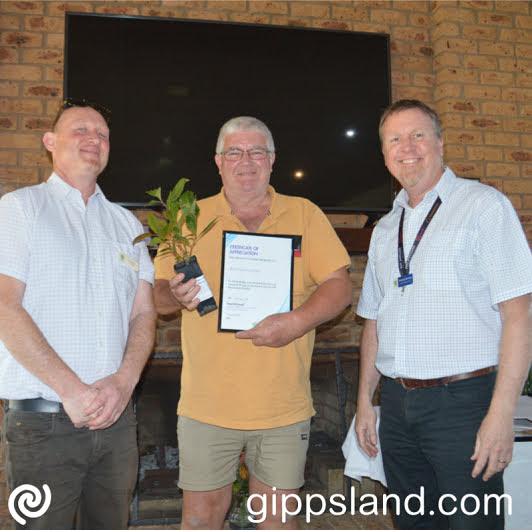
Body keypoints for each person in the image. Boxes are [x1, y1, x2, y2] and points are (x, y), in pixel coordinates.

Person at [154, 116, 352, 528]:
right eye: (234, 152)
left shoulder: (304, 213)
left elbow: (339, 286)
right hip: (207, 406)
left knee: (279, 520)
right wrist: (172, 294)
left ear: (272, 160)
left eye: (256, 151)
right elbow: (157, 296)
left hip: (282, 407)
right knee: (200, 519)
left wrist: (297, 321)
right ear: (218, 161)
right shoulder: (189, 217)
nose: (246, 161)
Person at [354, 99, 532, 529]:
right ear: (384, 154)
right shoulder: (383, 230)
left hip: (464, 406)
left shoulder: (483, 206)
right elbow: (375, 321)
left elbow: (519, 315)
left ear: (440, 142)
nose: (407, 147)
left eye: (418, 135)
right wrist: (365, 402)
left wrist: (500, 415)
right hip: (395, 407)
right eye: (395, 139)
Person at [0, 99, 157, 529]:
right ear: (49, 142)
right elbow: (4, 305)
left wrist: (124, 383)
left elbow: (144, 314)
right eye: (81, 130)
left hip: (117, 426)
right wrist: (71, 390)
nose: (94, 139)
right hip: (42, 425)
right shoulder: (19, 210)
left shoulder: (130, 226)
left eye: (103, 134)